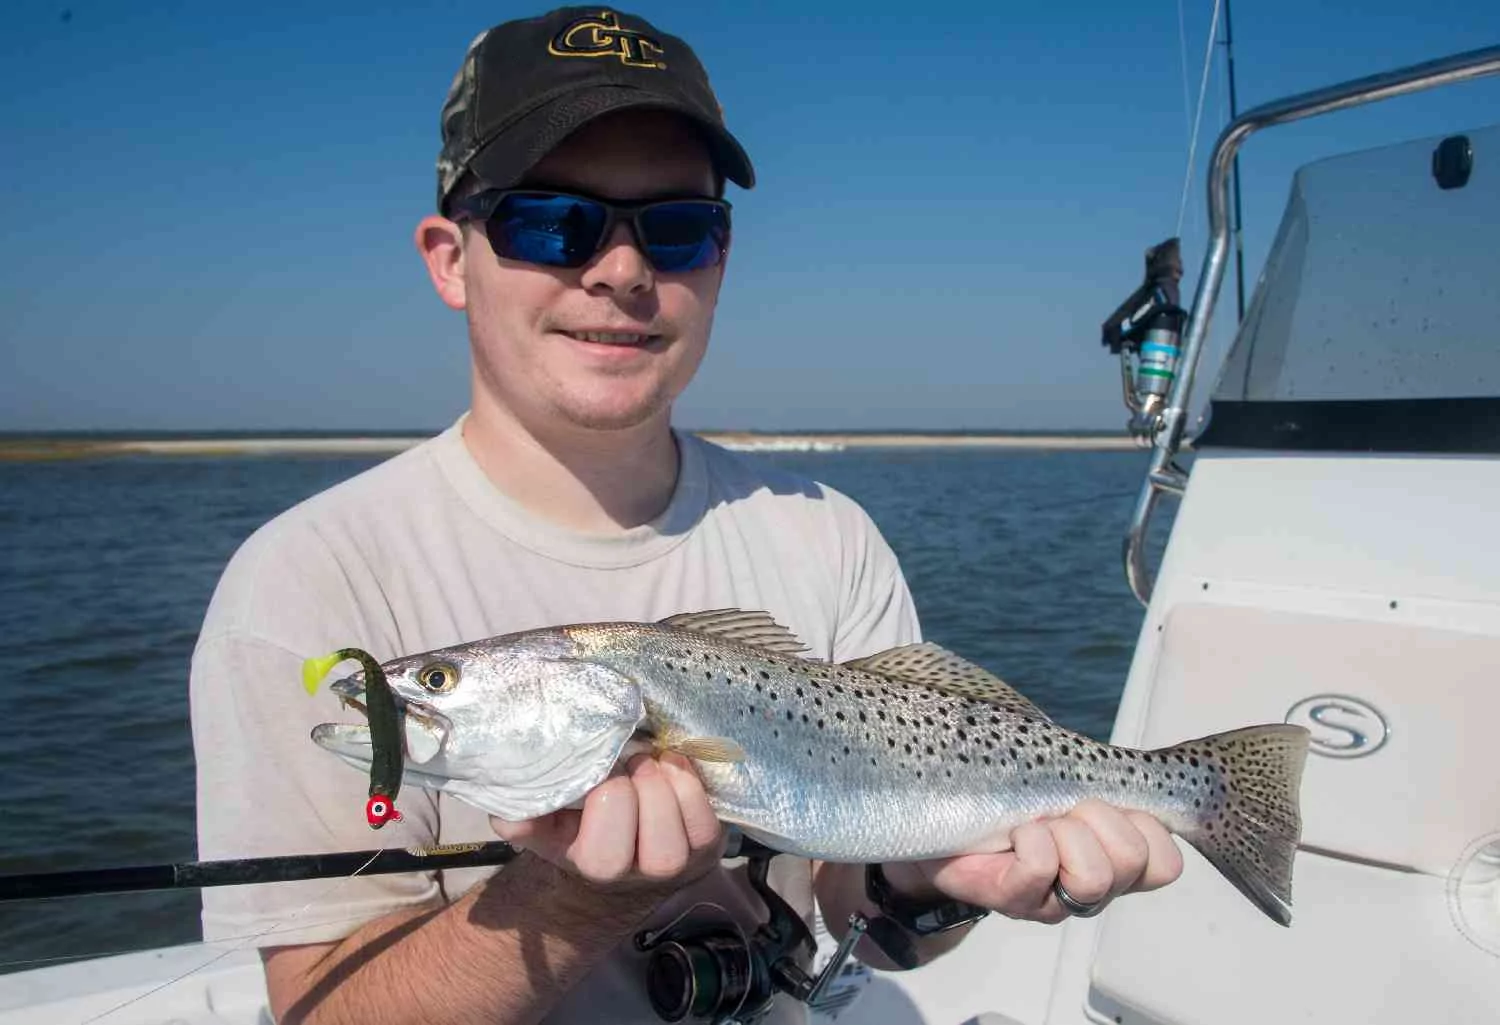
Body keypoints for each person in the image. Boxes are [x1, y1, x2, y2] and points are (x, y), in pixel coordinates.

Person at [188, 7, 1183, 1023]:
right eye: (550, 221)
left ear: (721, 257)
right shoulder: (308, 578)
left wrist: (932, 882)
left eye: (674, 229)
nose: (622, 271)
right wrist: (573, 899)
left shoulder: (826, 534)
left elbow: (869, 908)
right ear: (450, 257)